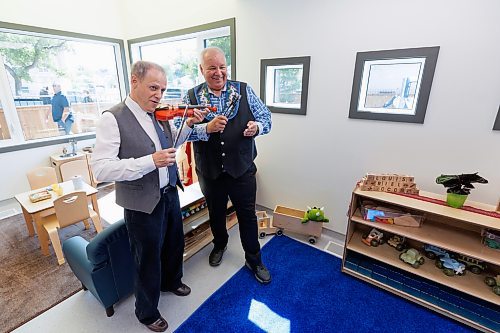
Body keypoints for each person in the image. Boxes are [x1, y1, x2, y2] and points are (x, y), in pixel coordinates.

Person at [91, 60, 206, 332]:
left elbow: (171, 145)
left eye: (163, 89)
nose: (159, 95)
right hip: (141, 203)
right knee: (147, 258)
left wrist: (188, 125)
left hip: (168, 193)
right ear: (134, 81)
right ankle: (146, 312)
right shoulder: (113, 118)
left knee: (173, 244)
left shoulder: (158, 114)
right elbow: (101, 169)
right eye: (153, 87)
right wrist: (149, 161)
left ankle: (171, 281)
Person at [184, 47, 272, 284]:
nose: (219, 72)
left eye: (222, 67)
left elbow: (266, 118)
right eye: (212, 67)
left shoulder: (243, 90)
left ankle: (254, 260)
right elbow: (181, 133)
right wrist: (206, 128)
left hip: (242, 169)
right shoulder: (190, 97)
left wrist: (257, 127)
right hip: (210, 172)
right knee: (216, 213)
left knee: (247, 216)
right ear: (202, 70)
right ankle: (220, 245)